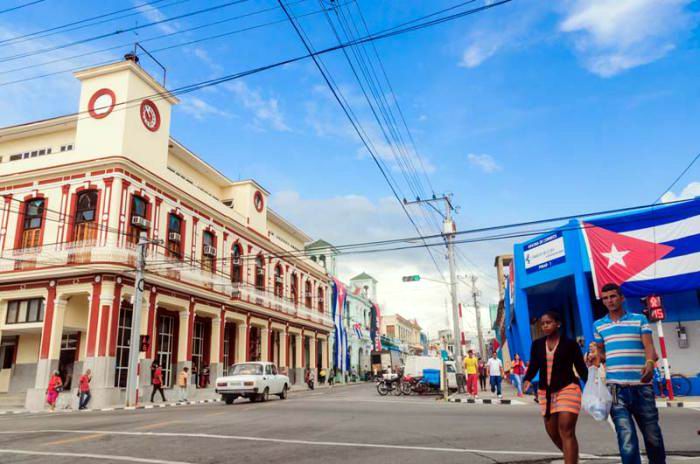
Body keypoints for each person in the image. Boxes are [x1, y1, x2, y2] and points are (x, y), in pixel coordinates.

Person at [591, 283, 666, 464]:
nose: (610, 300)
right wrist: (594, 355)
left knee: (652, 437)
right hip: (616, 389)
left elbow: (649, 346)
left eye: (613, 296)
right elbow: (601, 354)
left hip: (642, 387)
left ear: (622, 298)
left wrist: (650, 363)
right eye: (606, 298)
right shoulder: (599, 325)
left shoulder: (639, 319)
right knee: (626, 440)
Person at [524, 312, 588, 464]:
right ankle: (572, 456)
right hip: (545, 392)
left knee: (566, 429)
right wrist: (527, 378)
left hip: (568, 388)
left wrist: (592, 385)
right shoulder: (537, 344)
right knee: (552, 431)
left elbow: (580, 367)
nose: (545, 325)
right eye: (543, 323)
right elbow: (534, 365)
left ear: (558, 324)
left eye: (549, 322)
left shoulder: (570, 344)